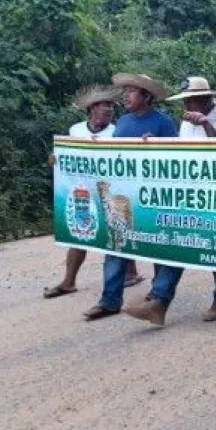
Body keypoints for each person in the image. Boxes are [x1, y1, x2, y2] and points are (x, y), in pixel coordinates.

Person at [121, 76, 216, 326]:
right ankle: (159, 301)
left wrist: (206, 125)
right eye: (184, 101)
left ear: (205, 99)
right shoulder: (184, 124)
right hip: (187, 196)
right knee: (178, 245)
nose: (185, 106)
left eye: (190, 100)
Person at [82, 73, 178, 321]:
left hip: (154, 197)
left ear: (146, 96)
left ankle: (157, 297)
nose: (126, 95)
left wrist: (156, 147)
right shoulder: (122, 122)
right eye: (126, 91)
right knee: (116, 245)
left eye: (132, 91)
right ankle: (109, 300)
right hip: (124, 195)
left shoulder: (163, 123)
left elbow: (177, 160)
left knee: (161, 247)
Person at [43, 85, 144, 299]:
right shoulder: (76, 130)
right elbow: (67, 155)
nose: (109, 109)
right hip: (83, 191)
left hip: (111, 189)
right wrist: (56, 158)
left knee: (117, 230)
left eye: (111, 105)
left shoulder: (117, 131)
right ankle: (69, 281)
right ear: (92, 109)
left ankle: (130, 273)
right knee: (78, 234)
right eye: (103, 105)